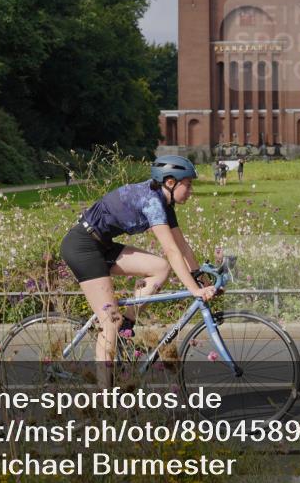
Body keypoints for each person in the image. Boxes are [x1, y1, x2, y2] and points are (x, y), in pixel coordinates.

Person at [59, 155, 216, 374]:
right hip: (82, 247)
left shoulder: (164, 202)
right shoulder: (152, 202)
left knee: (160, 268)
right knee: (110, 321)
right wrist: (194, 290)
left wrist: (200, 277)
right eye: (188, 185)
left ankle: (127, 324)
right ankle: (104, 399)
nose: (191, 191)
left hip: (102, 244)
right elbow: (171, 250)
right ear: (170, 182)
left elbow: (182, 247)